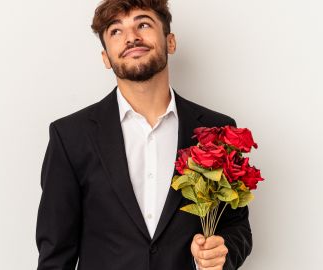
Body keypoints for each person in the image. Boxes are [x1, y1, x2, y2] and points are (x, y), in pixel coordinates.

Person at [35, 0, 252, 269]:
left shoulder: (216, 131)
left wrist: (221, 252)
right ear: (106, 58)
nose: (131, 37)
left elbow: (237, 226)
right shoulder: (70, 136)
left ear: (170, 42)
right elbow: (56, 254)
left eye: (144, 24)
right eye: (116, 31)